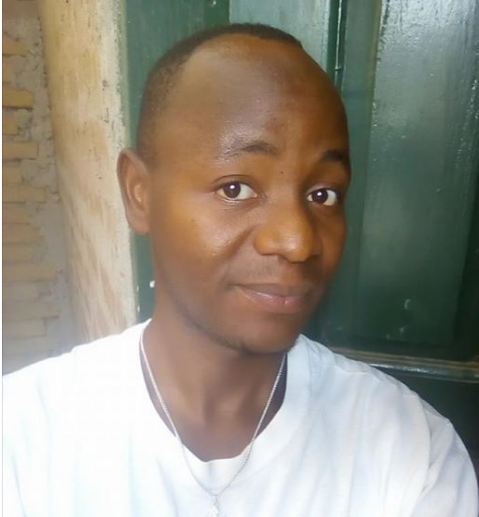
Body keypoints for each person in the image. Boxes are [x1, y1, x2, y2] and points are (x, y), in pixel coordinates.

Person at [3, 23, 478, 517]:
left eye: (323, 194)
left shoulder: (410, 453)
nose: (297, 241)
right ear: (139, 193)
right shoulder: (23, 444)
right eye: (236, 189)